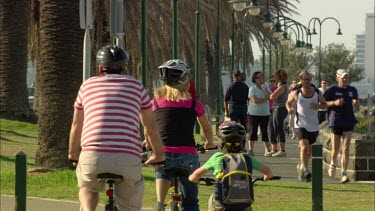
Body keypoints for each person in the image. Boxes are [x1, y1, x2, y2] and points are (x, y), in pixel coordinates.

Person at [68, 45, 165, 211]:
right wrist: (158, 154)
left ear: (100, 67)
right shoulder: (137, 87)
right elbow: (150, 127)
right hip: (127, 156)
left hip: (93, 155)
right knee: (130, 202)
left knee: (87, 187)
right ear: (124, 67)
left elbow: (77, 125)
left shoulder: (87, 86)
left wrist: (73, 154)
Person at [152, 59, 216, 211]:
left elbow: (153, 128)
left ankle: (159, 203)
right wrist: (209, 143)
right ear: (184, 80)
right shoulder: (194, 105)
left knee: (162, 171)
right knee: (191, 202)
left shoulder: (154, 104)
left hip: (164, 153)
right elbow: (206, 129)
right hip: (187, 156)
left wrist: (147, 142)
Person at [188, 121, 273, 211]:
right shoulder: (247, 158)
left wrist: (194, 179)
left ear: (221, 141)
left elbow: (195, 176)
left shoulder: (217, 157)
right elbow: (268, 172)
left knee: (213, 201)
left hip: (222, 202)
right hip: (243, 203)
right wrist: (265, 178)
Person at [286, 71, 327, 182]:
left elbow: (325, 104)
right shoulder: (296, 93)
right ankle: (306, 169)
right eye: (305, 79)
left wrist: (317, 106)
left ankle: (302, 167)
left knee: (309, 151)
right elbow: (288, 103)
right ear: (301, 80)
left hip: (313, 126)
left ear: (311, 80)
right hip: (300, 124)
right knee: (304, 147)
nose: (307, 81)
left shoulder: (317, 92)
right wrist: (289, 109)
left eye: (309, 79)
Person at [324, 69, 360, 183]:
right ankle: (333, 163)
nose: (345, 79)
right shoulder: (332, 90)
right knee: (335, 148)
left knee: (346, 148)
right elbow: (323, 104)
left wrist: (356, 102)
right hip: (335, 121)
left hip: (348, 120)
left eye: (346, 77)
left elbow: (356, 100)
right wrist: (334, 103)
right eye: (343, 77)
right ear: (337, 78)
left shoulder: (352, 89)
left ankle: (343, 172)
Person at [247, 71, 272, 157]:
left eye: (262, 77)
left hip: (265, 113)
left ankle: (267, 149)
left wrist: (265, 90)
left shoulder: (266, 87)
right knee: (253, 131)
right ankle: (250, 149)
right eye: (259, 77)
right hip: (253, 113)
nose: (261, 79)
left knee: (265, 131)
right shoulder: (252, 89)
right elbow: (255, 101)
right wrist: (265, 99)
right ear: (255, 79)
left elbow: (270, 97)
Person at [224, 69, 249, 148]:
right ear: (239, 76)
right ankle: (242, 144)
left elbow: (226, 99)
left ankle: (234, 144)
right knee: (243, 126)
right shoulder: (245, 86)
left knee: (233, 126)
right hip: (243, 107)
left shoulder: (230, 86)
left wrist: (226, 111)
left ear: (233, 76)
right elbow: (248, 99)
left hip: (233, 106)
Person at [269, 69, 289, 157]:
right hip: (275, 108)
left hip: (280, 108)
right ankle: (274, 149)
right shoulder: (281, 86)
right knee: (273, 128)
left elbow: (272, 96)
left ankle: (282, 150)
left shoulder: (283, 87)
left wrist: (268, 91)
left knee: (279, 127)